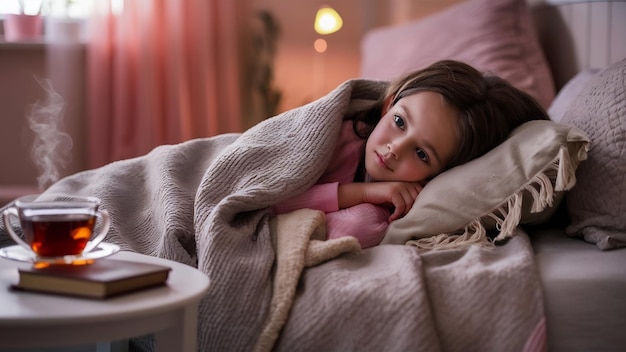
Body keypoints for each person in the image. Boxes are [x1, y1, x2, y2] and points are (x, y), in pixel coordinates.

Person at [272, 60, 550, 248]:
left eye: (421, 153)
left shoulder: (396, 212)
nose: (395, 149)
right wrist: (361, 193)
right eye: (400, 122)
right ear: (388, 105)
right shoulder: (340, 138)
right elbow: (271, 197)